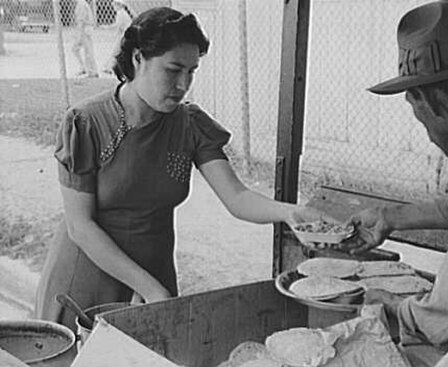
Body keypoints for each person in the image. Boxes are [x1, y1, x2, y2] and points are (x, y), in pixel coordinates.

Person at [35, 7, 329, 332]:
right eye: (173, 69)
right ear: (137, 59)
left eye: (192, 71)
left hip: (153, 272)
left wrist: (291, 212)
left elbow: (237, 197)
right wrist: (148, 288)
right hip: (88, 278)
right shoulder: (86, 123)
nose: (183, 84)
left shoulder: (190, 124)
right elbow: (81, 226)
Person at [341, 1, 448, 365]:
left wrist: (392, 307)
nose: (425, 128)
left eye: (415, 110)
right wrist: (391, 216)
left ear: (432, 102)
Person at [101, 0, 135, 74]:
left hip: (124, 35)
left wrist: (106, 27)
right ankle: (110, 67)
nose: (113, 6)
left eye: (115, 4)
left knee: (116, 52)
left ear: (119, 5)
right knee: (119, 52)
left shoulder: (121, 13)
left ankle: (109, 67)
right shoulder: (123, 13)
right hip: (126, 35)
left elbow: (117, 26)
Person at [72, 0, 98, 78]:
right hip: (85, 28)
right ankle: (84, 67)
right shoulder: (82, 3)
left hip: (84, 29)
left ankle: (92, 71)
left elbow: (81, 21)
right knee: (76, 49)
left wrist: (79, 34)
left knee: (88, 51)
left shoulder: (81, 4)